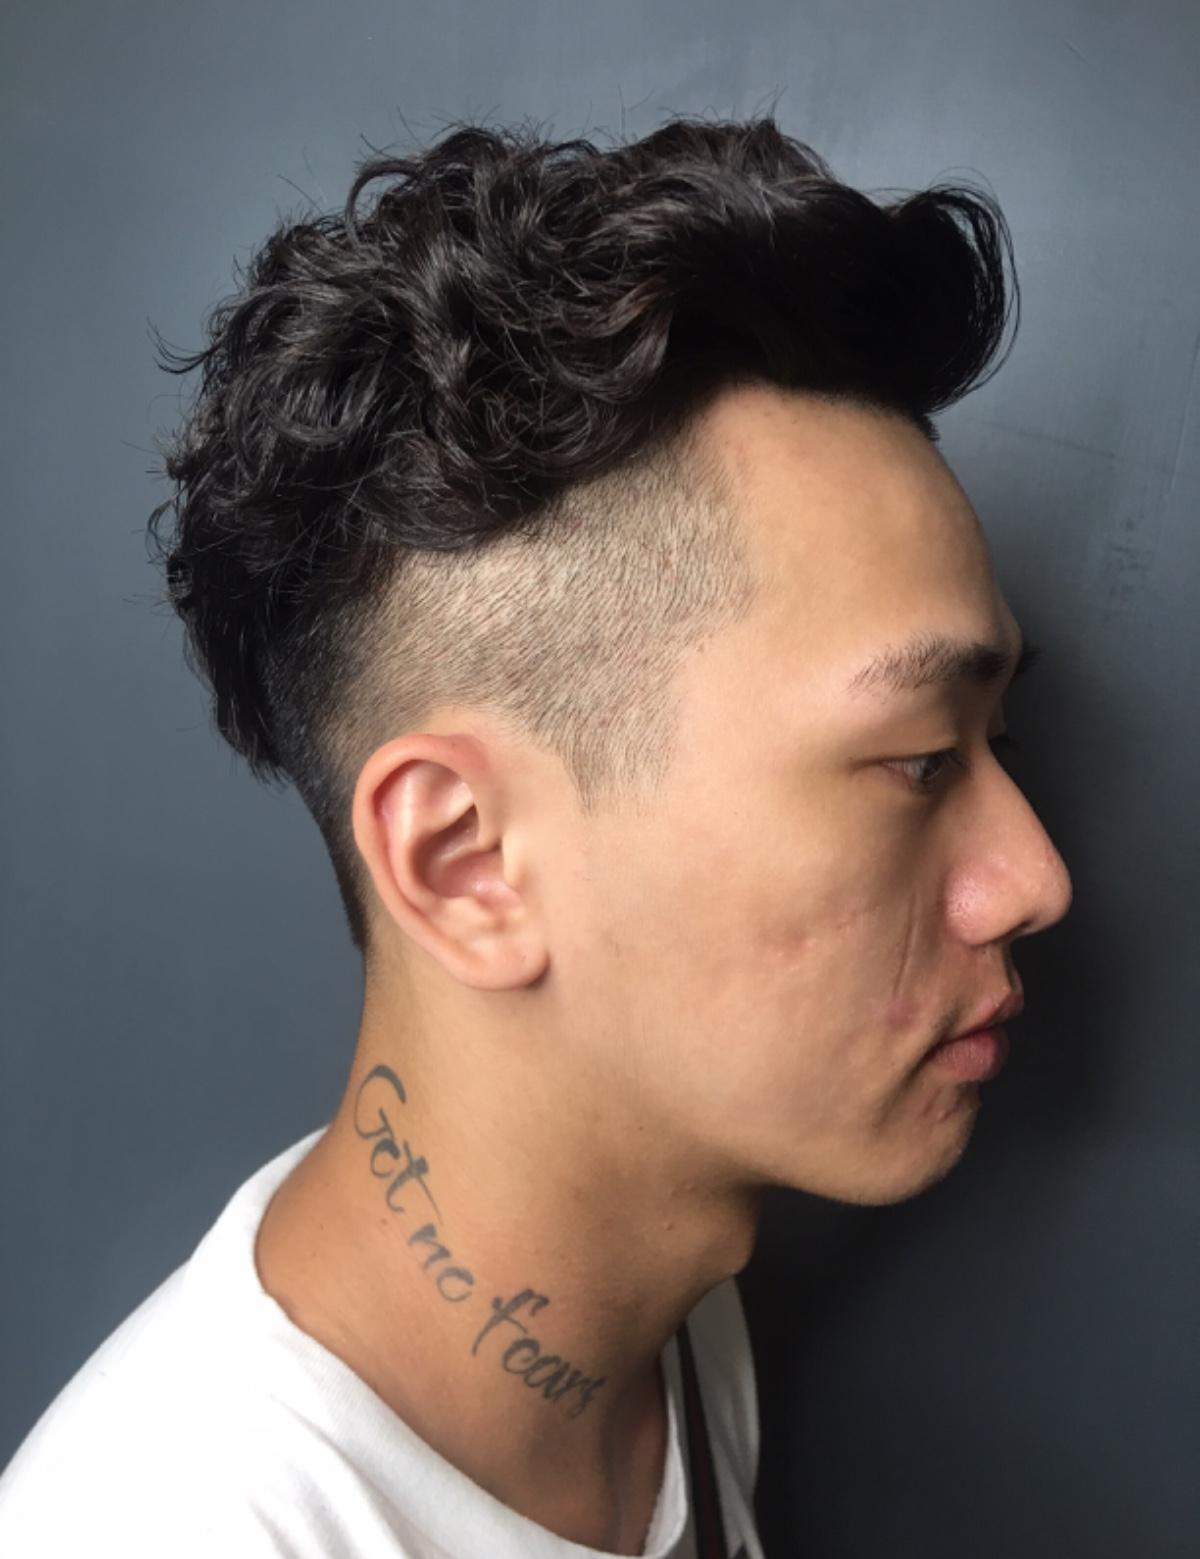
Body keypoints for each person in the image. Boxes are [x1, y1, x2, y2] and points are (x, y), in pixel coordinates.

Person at [0, 114, 1073, 1557]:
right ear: (466, 862)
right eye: (921, 760)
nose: (1035, 880)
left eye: (995, 746)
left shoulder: (670, 1321)